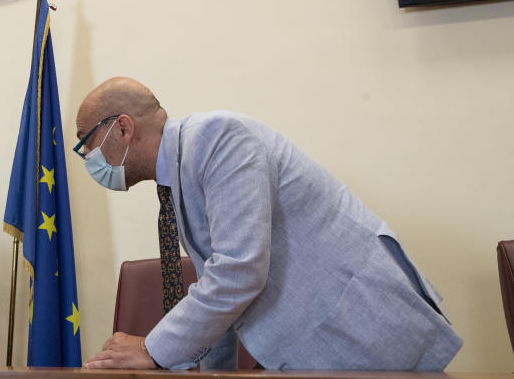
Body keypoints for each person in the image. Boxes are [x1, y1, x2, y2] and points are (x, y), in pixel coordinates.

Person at [74, 77, 462, 371]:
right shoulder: (180, 173)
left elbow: (239, 273)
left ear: (123, 128)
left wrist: (150, 351)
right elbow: (221, 290)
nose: (87, 156)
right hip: (326, 345)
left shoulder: (217, 138)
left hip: (363, 332)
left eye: (85, 142)